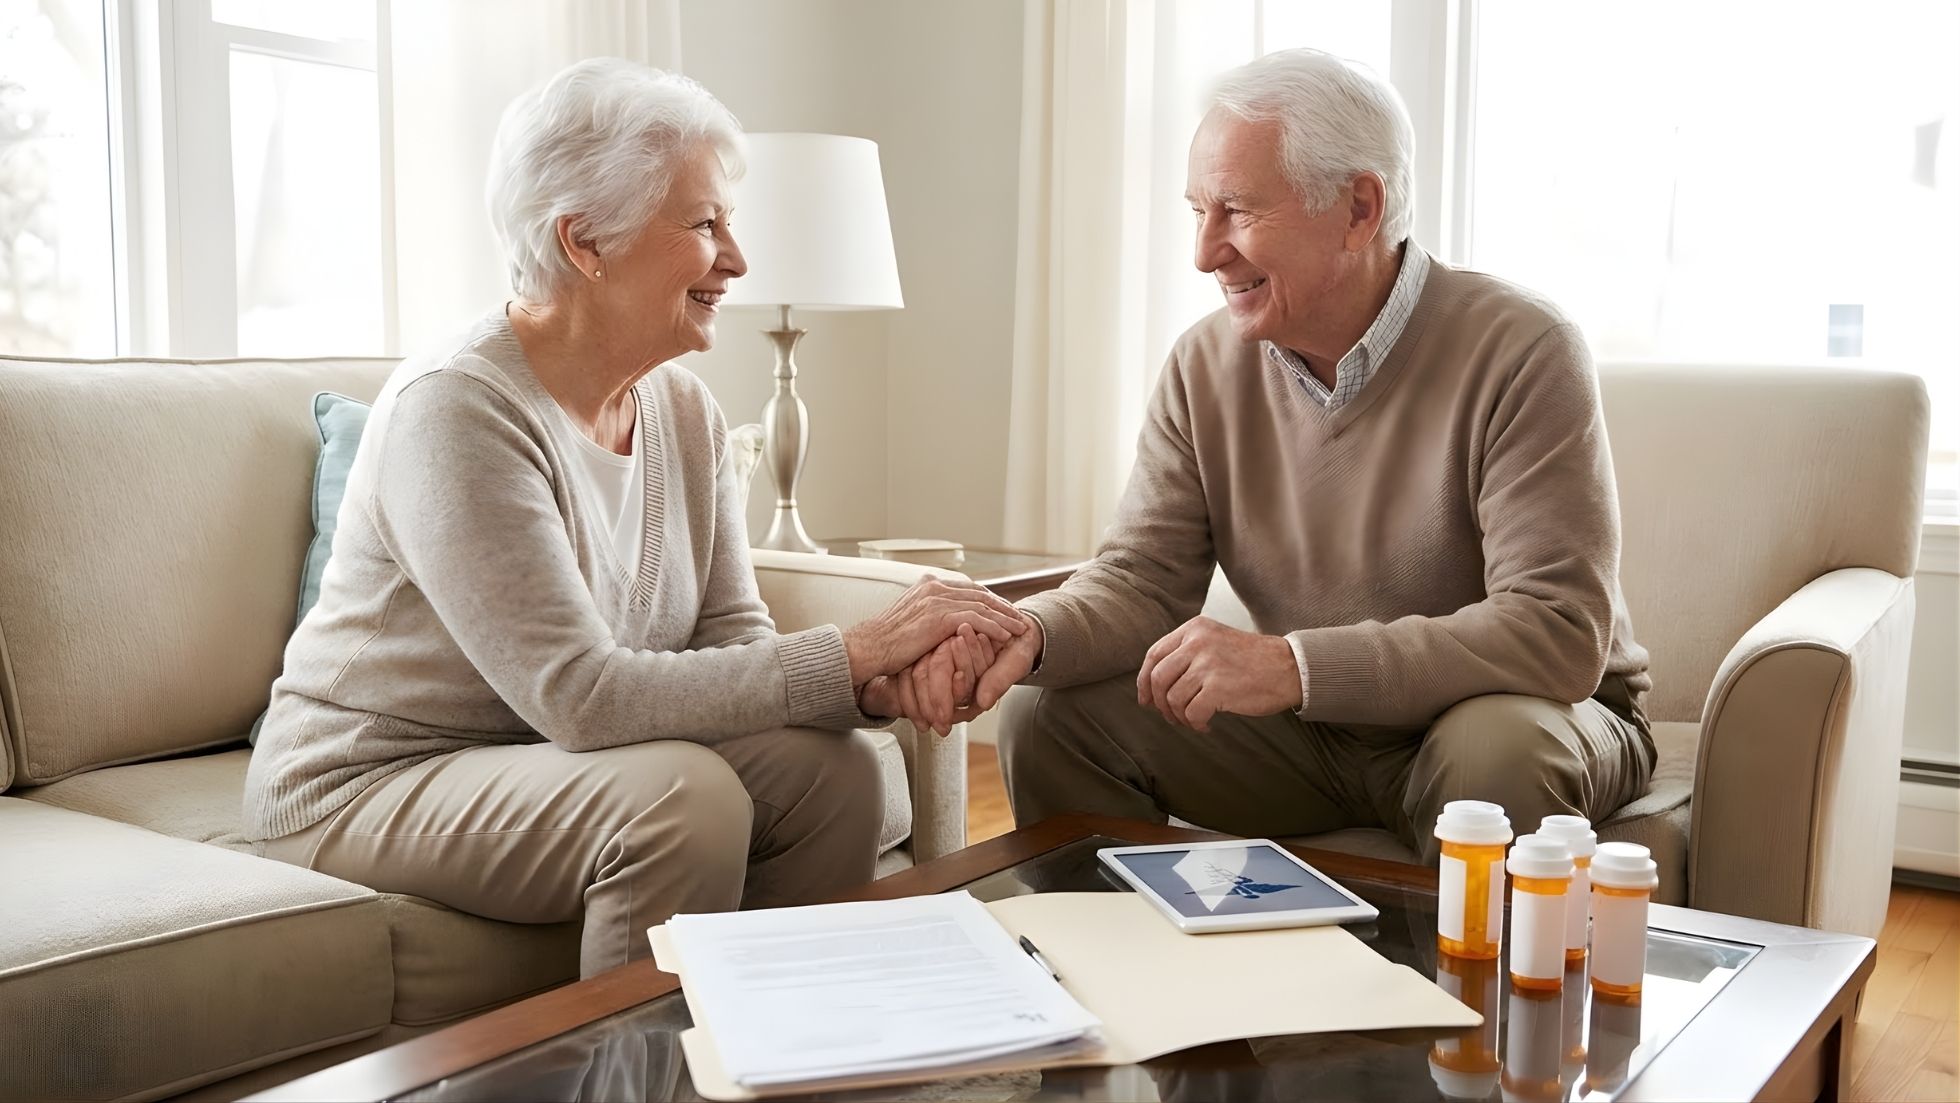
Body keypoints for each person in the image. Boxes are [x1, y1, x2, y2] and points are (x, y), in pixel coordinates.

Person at [241, 58, 1021, 977]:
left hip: (551, 753)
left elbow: (730, 636)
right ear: (584, 242)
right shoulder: (457, 410)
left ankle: (788, 1055)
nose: (736, 257)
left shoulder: (682, 410)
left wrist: (868, 688)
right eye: (704, 223)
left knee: (839, 772)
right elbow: (581, 695)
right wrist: (855, 650)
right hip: (369, 777)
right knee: (681, 800)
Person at [907, 48, 1654, 861]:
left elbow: (1555, 630)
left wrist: (1295, 666)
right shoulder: (1203, 365)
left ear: (1359, 207)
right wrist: (1029, 633)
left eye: (1236, 210)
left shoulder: (1523, 348)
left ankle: (1468, 993)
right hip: (1320, 731)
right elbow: (1141, 582)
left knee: (1492, 755)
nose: (1203, 251)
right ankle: (1116, 975)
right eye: (1197, 210)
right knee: (1053, 715)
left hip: (1525, 710)